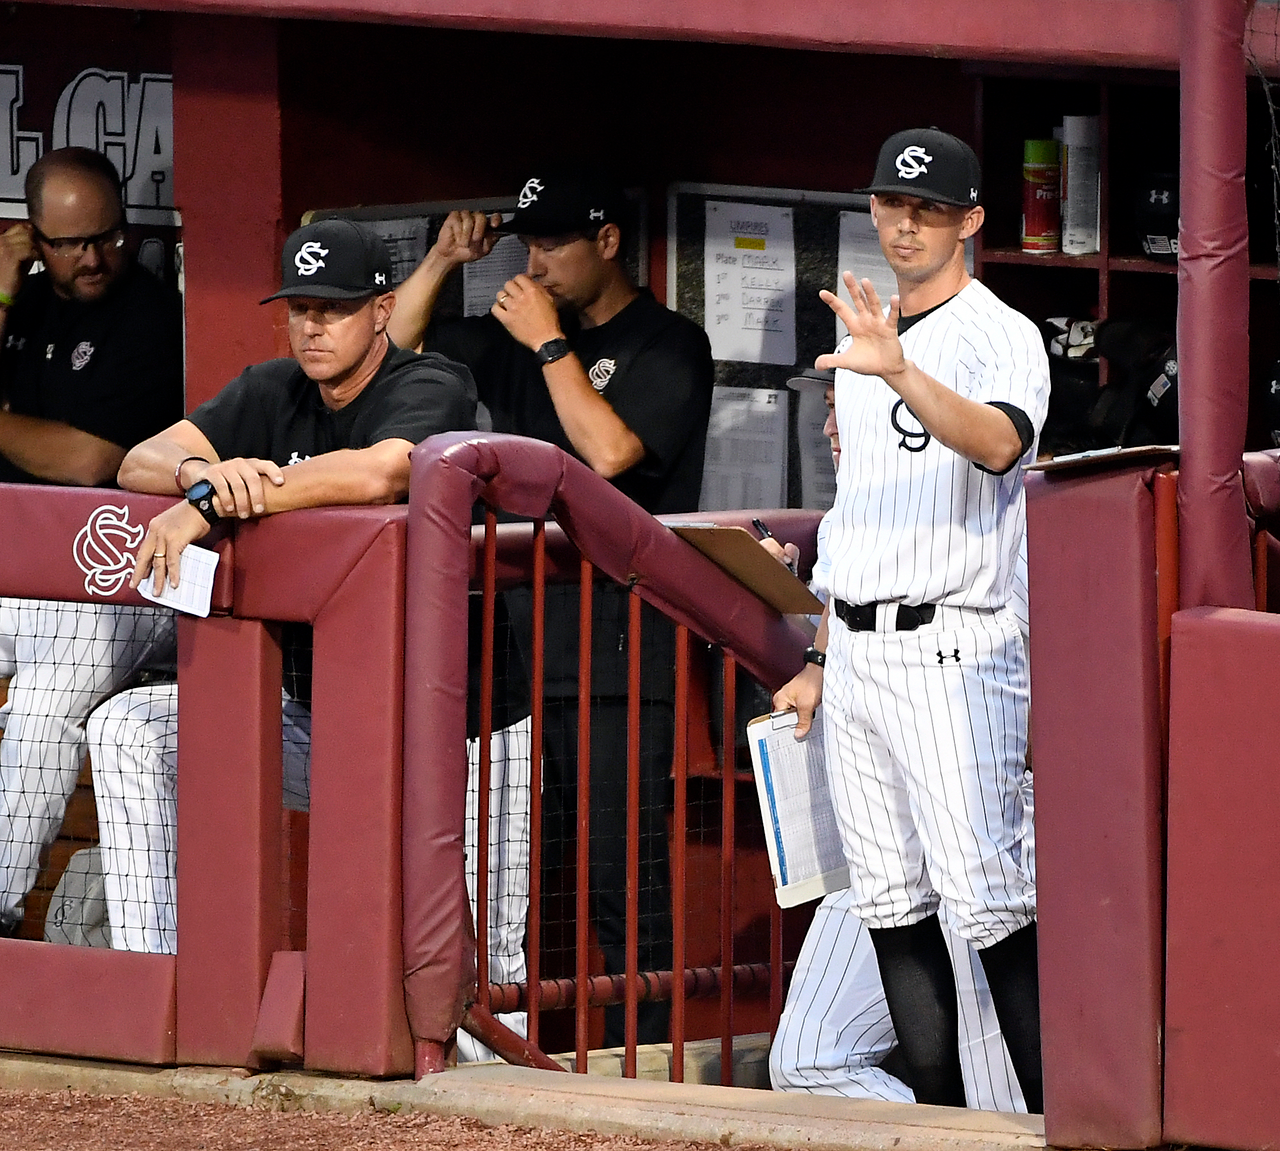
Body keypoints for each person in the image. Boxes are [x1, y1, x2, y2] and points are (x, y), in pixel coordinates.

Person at [84, 218, 477, 953]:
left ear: (383, 310)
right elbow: (140, 459)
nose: (312, 327)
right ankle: (159, 974)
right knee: (130, 728)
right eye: (300, 309)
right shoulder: (272, 389)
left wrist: (214, 503)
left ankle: (492, 1069)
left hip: (459, 725)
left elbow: (381, 472)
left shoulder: (432, 381)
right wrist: (200, 474)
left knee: (476, 951)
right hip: (315, 715)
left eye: (334, 308)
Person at [390, 171, 714, 1046]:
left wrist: (546, 346)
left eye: (554, 244)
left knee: (623, 883)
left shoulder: (670, 342)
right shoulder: (523, 331)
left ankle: (649, 1066)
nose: (535, 262)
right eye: (527, 243)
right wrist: (442, 261)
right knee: (540, 891)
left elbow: (608, 454)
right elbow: (396, 345)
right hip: (518, 652)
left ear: (607, 242)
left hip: (620, 650)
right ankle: (555, 1068)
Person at [772, 128, 1049, 1111]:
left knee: (988, 901)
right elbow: (850, 516)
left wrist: (898, 372)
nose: (904, 221)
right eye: (892, 202)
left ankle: (1057, 1125)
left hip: (955, 646)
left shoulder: (994, 331)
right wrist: (816, 651)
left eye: (927, 207)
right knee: (889, 901)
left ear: (970, 219)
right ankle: (937, 1127)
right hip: (858, 654)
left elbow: (1000, 447)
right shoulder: (866, 336)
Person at [0, 147, 183, 936]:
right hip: (26, 571)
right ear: (35, 240)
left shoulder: (151, 315)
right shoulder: (28, 304)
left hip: (127, 574)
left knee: (49, 688)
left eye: (107, 236)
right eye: (70, 243)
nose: (93, 257)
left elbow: (89, 462)